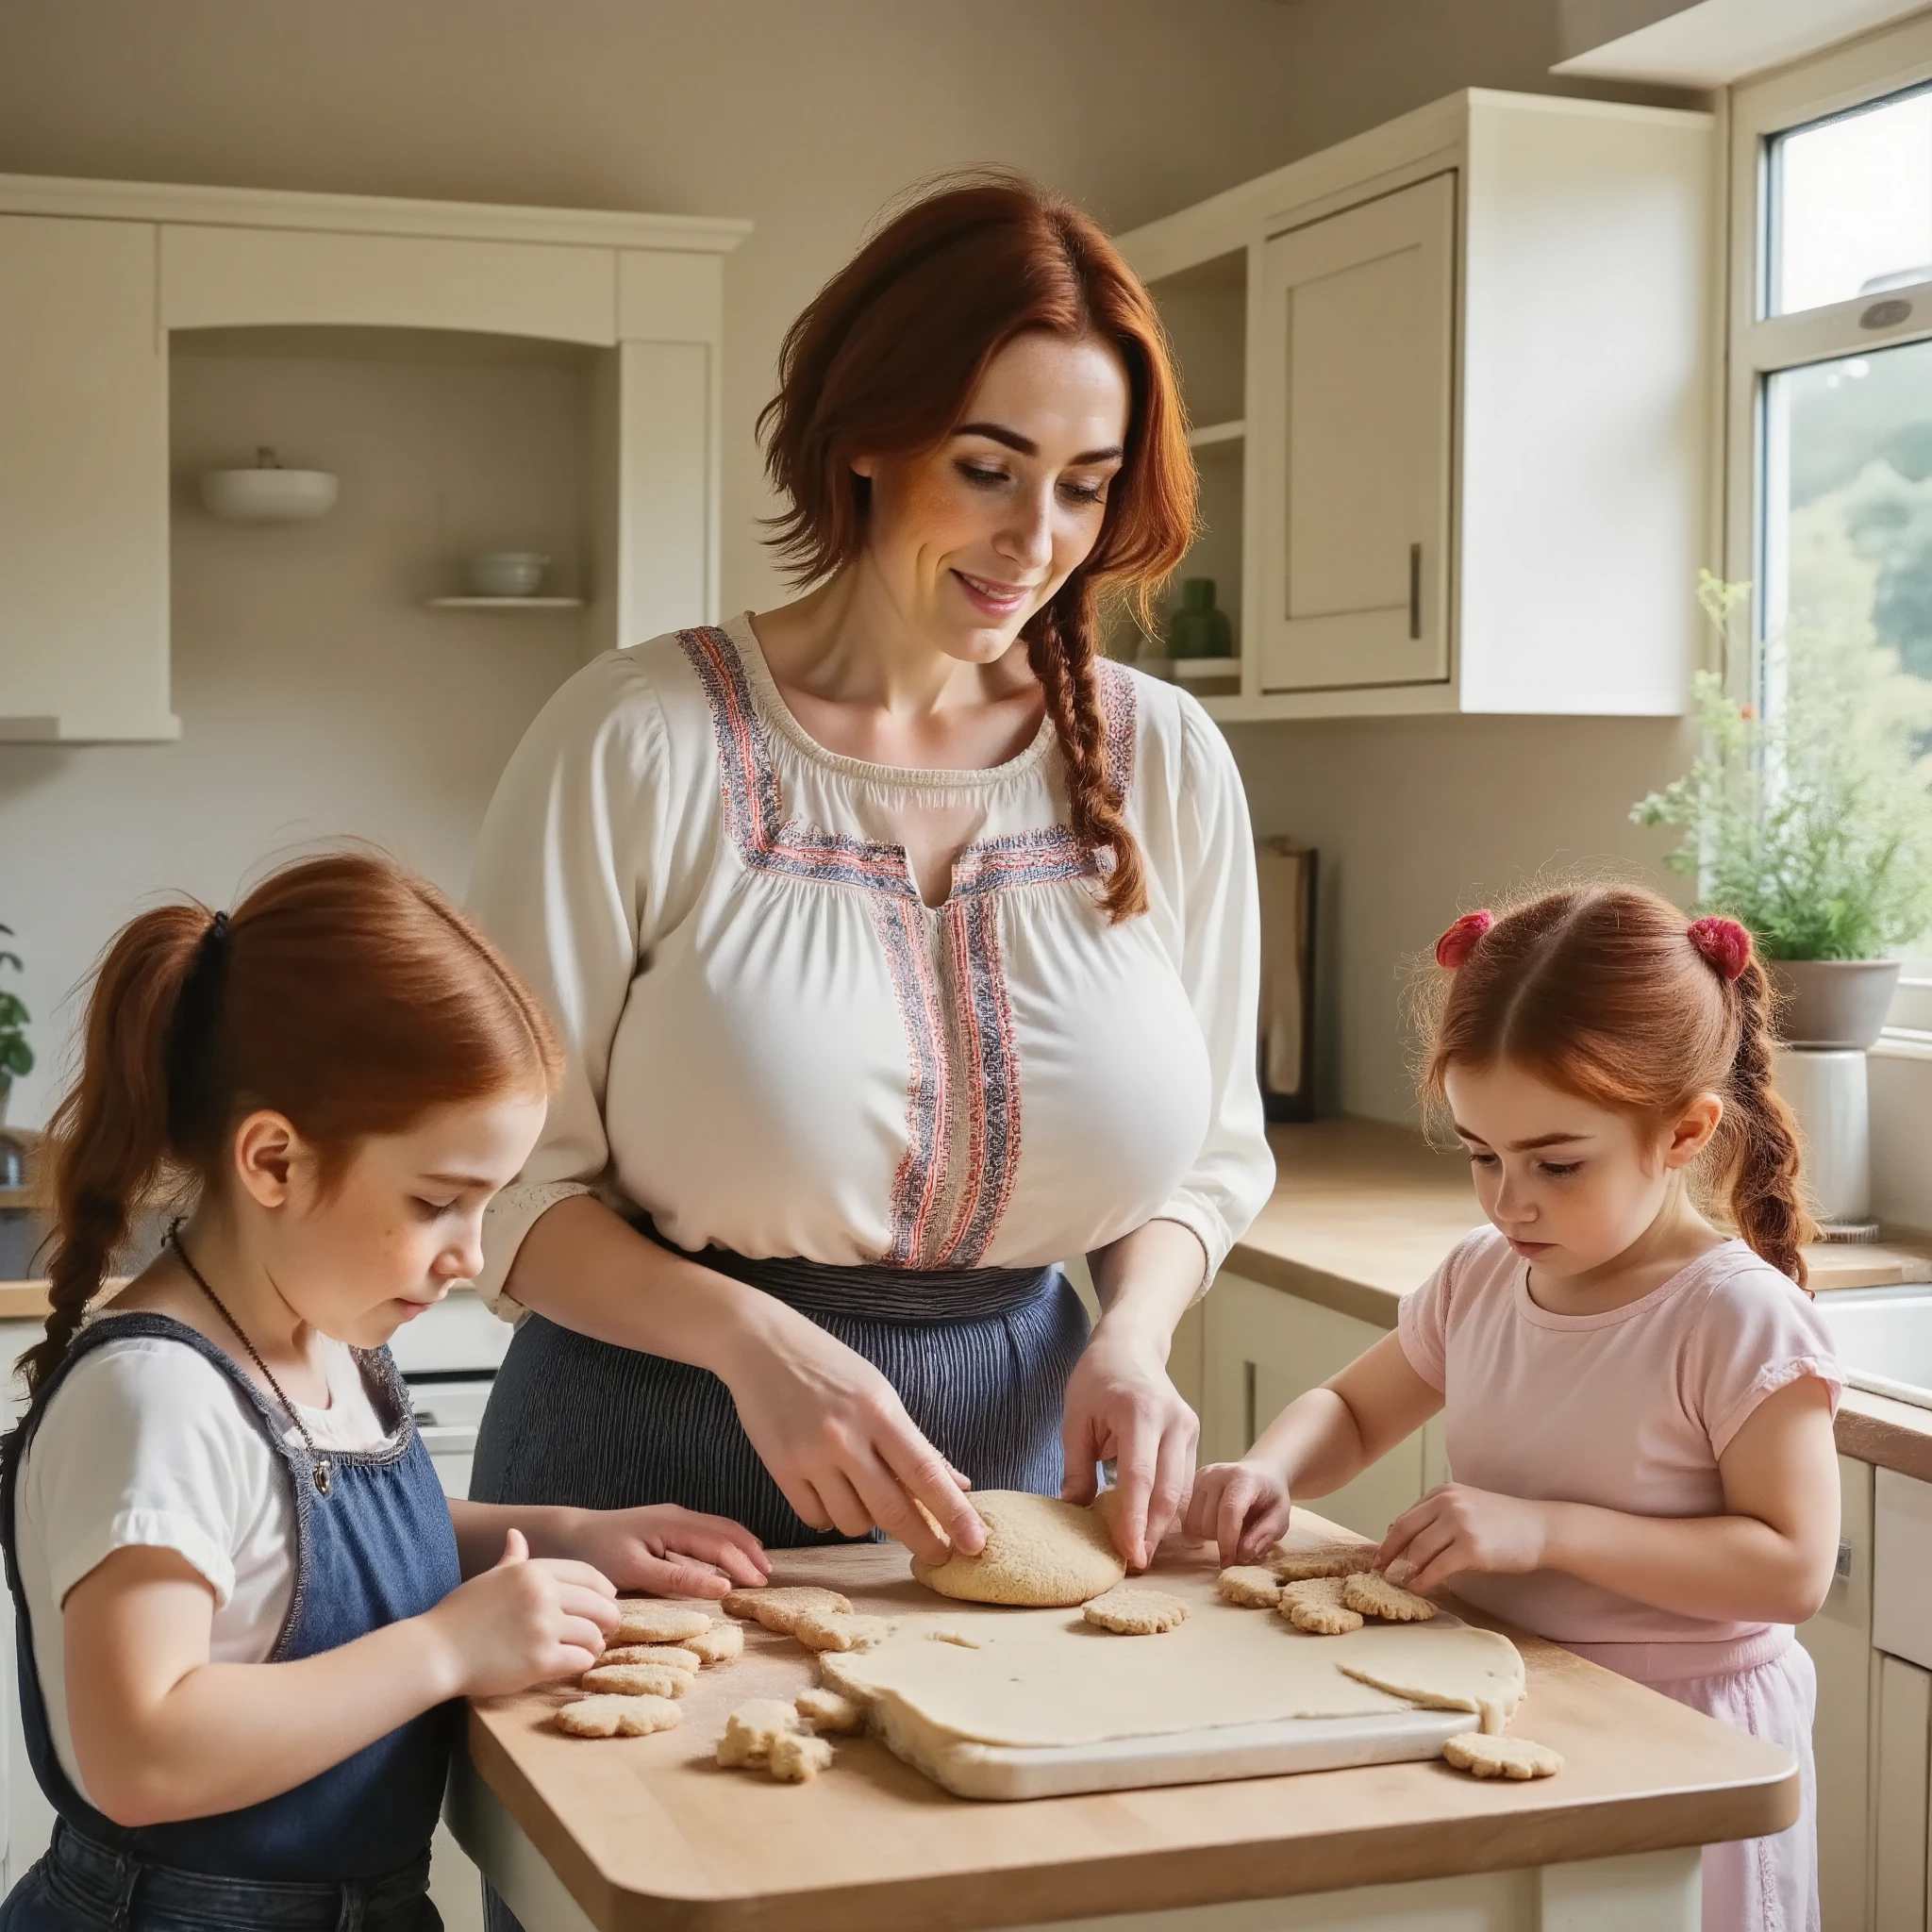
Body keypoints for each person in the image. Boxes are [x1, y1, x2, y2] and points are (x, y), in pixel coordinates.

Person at [466, 174, 1274, 1577]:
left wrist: (1136, 1340)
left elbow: (1206, 1155)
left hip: (1022, 1485)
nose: (1037, 541)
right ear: (865, 440)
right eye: (988, 467)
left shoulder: (1166, 763)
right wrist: (753, 1342)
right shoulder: (638, 741)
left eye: (1084, 487)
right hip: (650, 1485)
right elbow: (501, 1190)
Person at [0, 854, 767, 1932]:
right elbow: (144, 1751)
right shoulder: (158, 1399)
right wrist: (446, 1646)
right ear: (272, 1159)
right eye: (438, 1200)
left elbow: (297, 1557)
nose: (472, 1253)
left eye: (490, 1202)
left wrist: (561, 1532)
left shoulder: (326, 1336)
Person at [1187, 884, 1840, 1932]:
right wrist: (1267, 1467)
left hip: (1685, 1732)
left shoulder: (1731, 1316)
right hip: (1514, 1688)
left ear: (1682, 1131)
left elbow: (1789, 1566)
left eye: (1554, 1161)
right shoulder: (1483, 1275)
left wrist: (1543, 1530)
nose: (1507, 1199)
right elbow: (1350, 1411)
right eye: (1480, 1154)